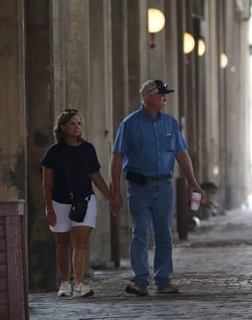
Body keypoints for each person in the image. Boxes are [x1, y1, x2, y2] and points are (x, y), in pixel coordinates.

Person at [110, 79, 204, 297]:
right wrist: (116, 190)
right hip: (138, 185)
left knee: (164, 234)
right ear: (148, 97)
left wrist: (192, 181)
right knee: (140, 231)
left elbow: (181, 153)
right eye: (161, 94)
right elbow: (117, 157)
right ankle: (140, 280)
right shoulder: (129, 124)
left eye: (165, 95)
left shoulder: (170, 123)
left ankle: (163, 280)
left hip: (164, 186)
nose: (165, 98)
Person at [41, 108, 112, 298]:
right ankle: (64, 283)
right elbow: (47, 183)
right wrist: (48, 207)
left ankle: (79, 285)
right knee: (62, 243)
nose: (76, 127)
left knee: (80, 243)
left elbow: (95, 175)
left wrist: (110, 196)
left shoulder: (88, 149)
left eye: (79, 123)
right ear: (63, 127)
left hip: (84, 200)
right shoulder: (53, 152)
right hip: (59, 202)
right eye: (72, 123)